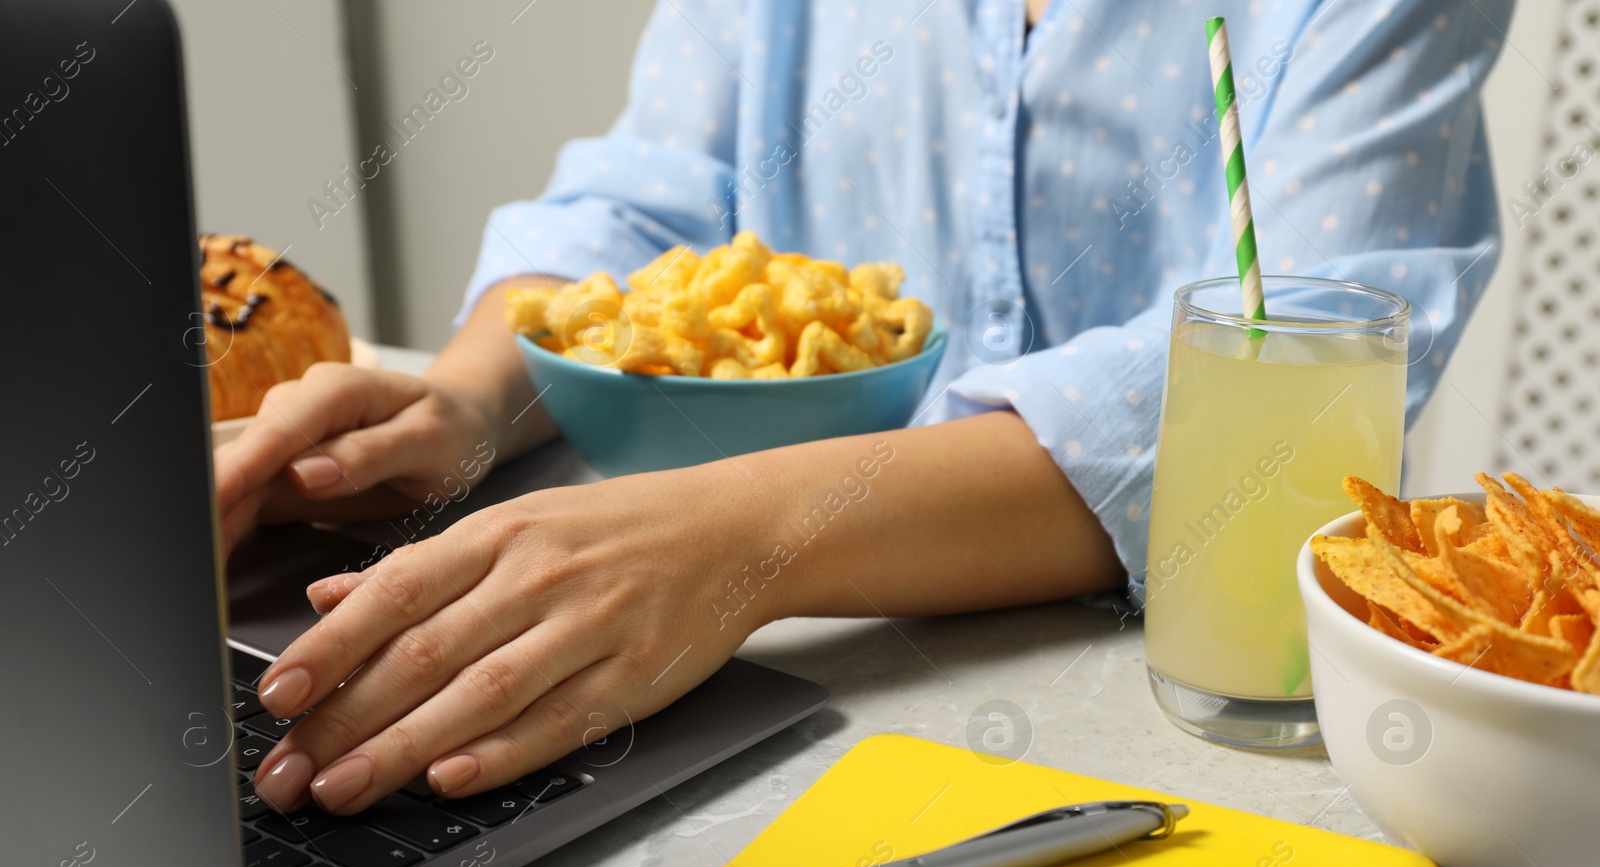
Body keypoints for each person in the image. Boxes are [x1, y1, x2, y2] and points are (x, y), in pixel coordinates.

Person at [222, 0, 1510, 816]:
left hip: (1189, 712)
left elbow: (1316, 347)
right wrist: (464, 401)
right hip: (770, 661)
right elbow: (644, 200)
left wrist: (742, 541)